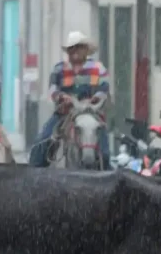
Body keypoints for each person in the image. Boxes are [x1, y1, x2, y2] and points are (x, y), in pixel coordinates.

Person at [28, 31, 111, 170]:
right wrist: (62, 97)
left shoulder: (98, 68)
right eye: (72, 48)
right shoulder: (59, 69)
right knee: (41, 142)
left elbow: (105, 88)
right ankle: (34, 176)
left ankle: (107, 174)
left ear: (85, 50)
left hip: (91, 113)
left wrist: (97, 97)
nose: (75, 51)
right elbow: (53, 89)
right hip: (65, 114)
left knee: (105, 150)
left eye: (78, 47)